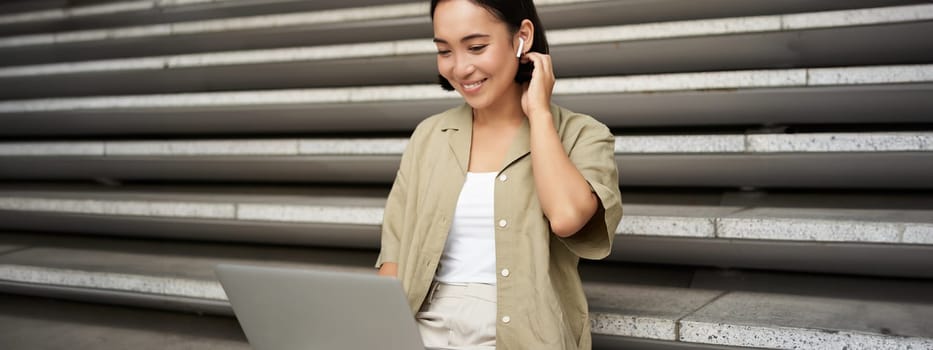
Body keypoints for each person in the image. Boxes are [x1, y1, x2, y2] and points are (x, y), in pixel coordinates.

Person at [375, 0, 623, 349]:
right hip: (420, 329)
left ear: (522, 37)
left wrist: (539, 115)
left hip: (522, 333)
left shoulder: (582, 134)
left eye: (476, 47)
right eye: (444, 50)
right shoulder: (429, 136)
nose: (460, 68)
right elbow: (394, 257)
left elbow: (567, 217)